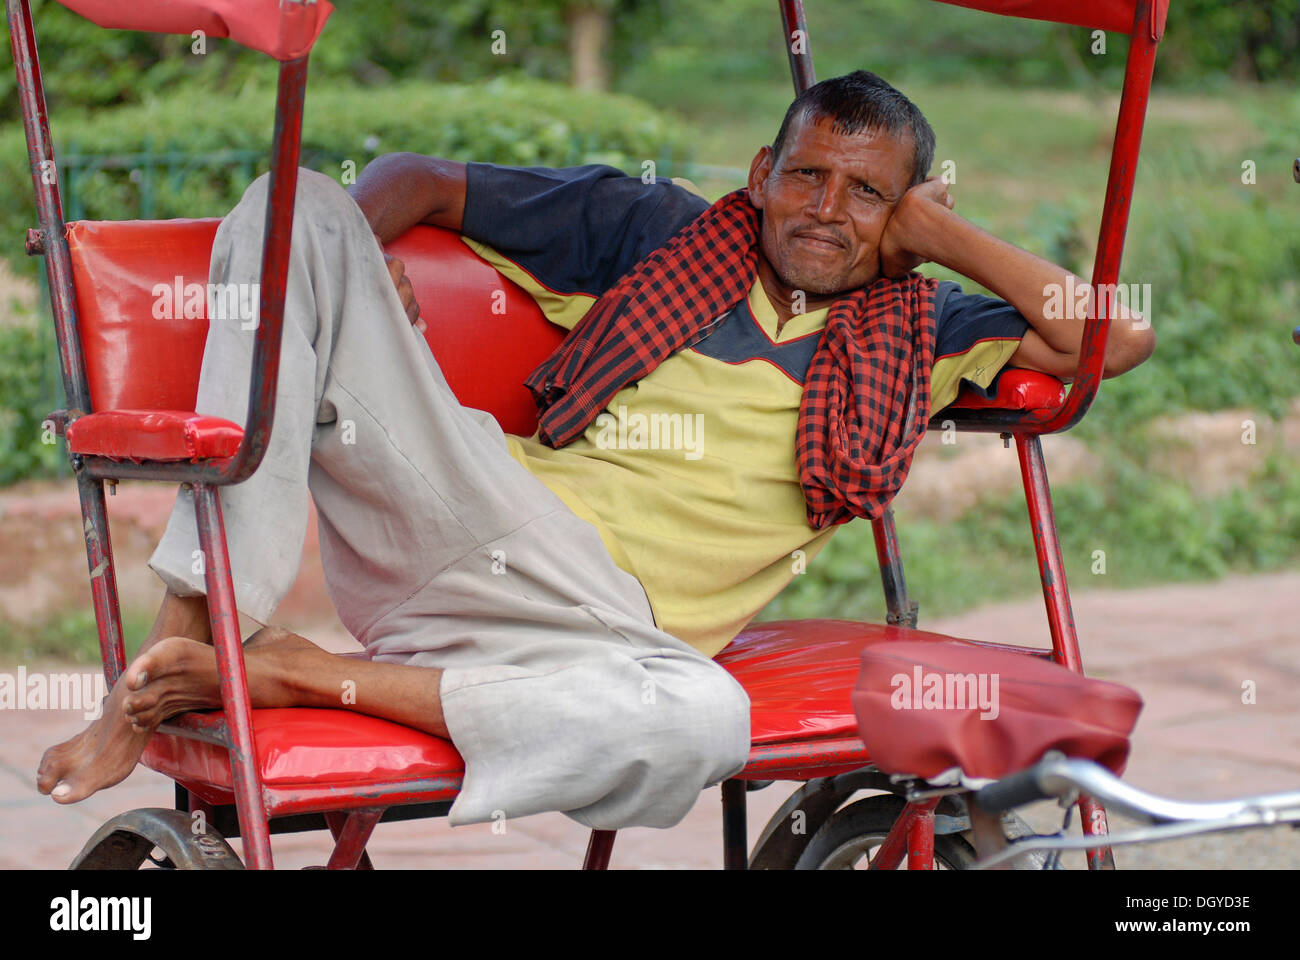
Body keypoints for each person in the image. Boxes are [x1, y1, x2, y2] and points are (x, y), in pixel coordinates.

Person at [36, 71, 1153, 831]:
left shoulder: (923, 328)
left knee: (706, 721)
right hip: (482, 520)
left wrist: (939, 235)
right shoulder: (657, 230)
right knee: (299, 207)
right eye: (806, 175)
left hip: (615, 643)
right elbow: (417, 174)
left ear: (904, 215)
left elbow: (1116, 335)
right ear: (760, 171)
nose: (826, 210)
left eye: (867, 194)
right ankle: (181, 648)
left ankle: (292, 669)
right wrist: (367, 269)